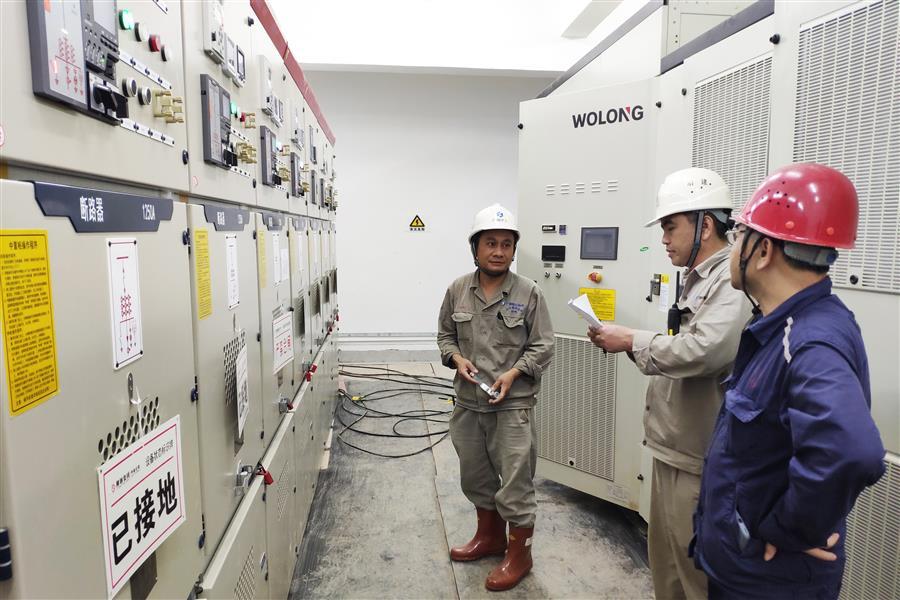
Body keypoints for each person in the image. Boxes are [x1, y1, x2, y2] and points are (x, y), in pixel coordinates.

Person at [691, 163, 886, 599]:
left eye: (739, 233)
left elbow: (851, 450)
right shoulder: (783, 326)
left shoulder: (808, 341)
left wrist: (792, 529)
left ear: (763, 251)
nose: (733, 245)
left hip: (766, 583)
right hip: (745, 570)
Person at [588, 168, 751, 600]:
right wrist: (631, 342)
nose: (663, 239)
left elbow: (705, 350)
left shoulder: (730, 281)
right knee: (667, 567)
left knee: (696, 578)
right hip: (672, 447)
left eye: (670, 226)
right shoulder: (699, 277)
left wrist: (632, 340)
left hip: (699, 459)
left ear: (706, 225)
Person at [436, 203, 554, 591]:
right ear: (476, 248)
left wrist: (514, 372)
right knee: (475, 474)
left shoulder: (529, 293)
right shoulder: (457, 290)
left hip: (512, 405)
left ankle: (520, 555)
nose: (499, 251)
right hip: (468, 403)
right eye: (490, 243)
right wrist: (456, 359)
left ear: (514, 250)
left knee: (516, 482)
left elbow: (544, 345)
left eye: (506, 244)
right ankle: (489, 537)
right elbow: (445, 336)